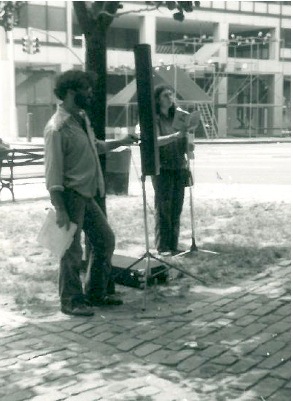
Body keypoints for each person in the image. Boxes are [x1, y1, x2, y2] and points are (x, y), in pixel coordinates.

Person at [44, 69, 137, 316]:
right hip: (71, 196)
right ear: (72, 92)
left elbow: (95, 147)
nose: (91, 93)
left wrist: (122, 141)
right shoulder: (57, 127)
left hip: (87, 194)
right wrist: (60, 208)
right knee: (71, 251)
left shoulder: (81, 119)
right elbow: (53, 173)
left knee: (104, 240)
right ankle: (71, 301)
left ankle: (95, 293)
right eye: (87, 89)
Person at [152, 84, 193, 256]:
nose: (170, 98)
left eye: (171, 95)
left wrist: (188, 143)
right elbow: (154, 141)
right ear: (157, 99)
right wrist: (174, 136)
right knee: (164, 207)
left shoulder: (177, 117)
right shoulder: (154, 119)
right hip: (163, 167)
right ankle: (163, 246)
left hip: (179, 165)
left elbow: (183, 141)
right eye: (165, 95)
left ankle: (173, 244)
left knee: (177, 206)